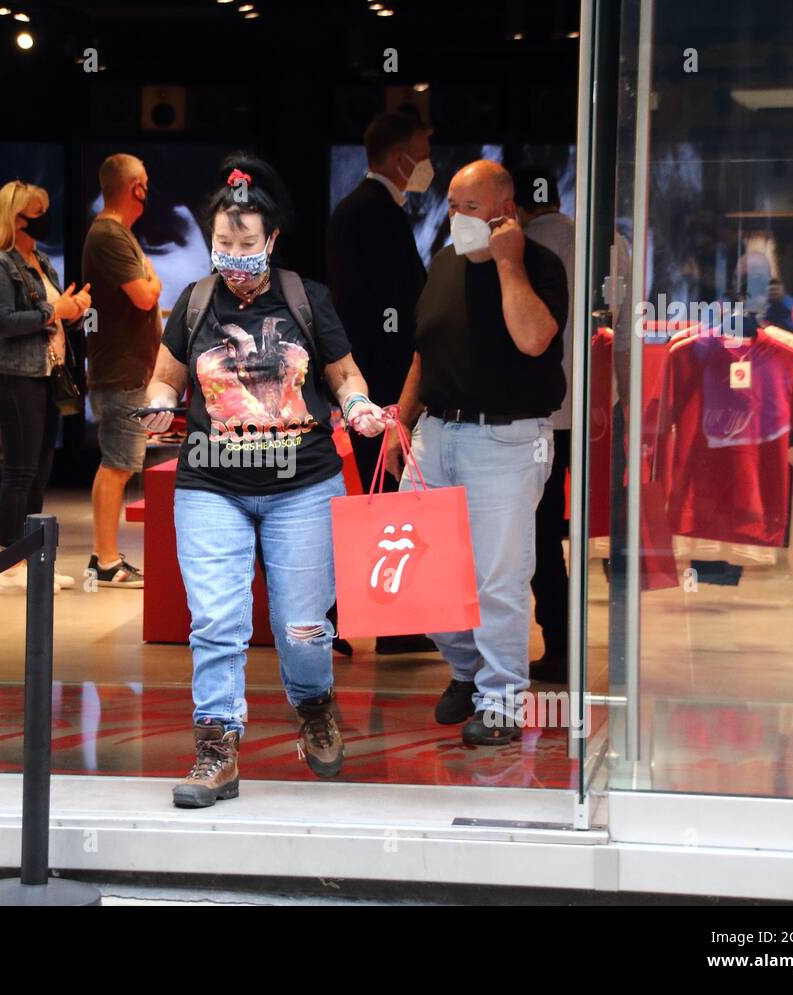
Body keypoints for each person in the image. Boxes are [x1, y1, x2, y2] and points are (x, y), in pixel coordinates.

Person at [139, 155, 389, 808]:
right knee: (217, 621)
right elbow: (165, 374)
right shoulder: (195, 303)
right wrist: (159, 401)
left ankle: (313, 704)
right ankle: (216, 749)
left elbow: (344, 374)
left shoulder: (307, 298)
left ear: (270, 241)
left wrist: (359, 405)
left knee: (303, 627)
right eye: (224, 243)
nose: (235, 256)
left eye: (247, 244)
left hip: (303, 486)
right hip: (210, 486)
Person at [386, 160, 568, 745]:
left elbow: (534, 338)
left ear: (504, 211)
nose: (456, 217)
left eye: (469, 208)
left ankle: (502, 701)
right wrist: (401, 420)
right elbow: (423, 352)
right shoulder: (442, 264)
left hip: (506, 440)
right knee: (418, 573)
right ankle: (467, 670)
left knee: (498, 579)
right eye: (453, 205)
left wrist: (509, 261)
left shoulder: (539, 265)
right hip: (434, 434)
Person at [327, 108, 434, 657]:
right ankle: (364, 616)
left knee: (384, 496)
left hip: (377, 379)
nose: (428, 161)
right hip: (382, 381)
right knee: (384, 497)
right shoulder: (372, 212)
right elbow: (384, 309)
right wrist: (393, 397)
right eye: (424, 147)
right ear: (401, 157)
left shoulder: (366, 209)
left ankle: (372, 617)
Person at [0, 180, 89, 595]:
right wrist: (52, 311)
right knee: (20, 471)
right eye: (38, 212)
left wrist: (74, 310)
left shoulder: (40, 260)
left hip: (46, 374)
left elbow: (55, 314)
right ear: (16, 217)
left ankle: (31, 557)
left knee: (40, 472)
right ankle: (11, 563)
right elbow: (2, 323)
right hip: (13, 377)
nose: (46, 218)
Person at [81, 154, 161, 588]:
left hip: (127, 370)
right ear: (135, 186)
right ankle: (106, 560)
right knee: (117, 464)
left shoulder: (118, 233)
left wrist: (151, 281)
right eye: (145, 182)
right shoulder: (109, 235)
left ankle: (105, 556)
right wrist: (153, 282)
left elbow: (148, 286)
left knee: (120, 463)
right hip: (120, 371)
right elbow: (146, 294)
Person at [513, 165, 575, 684]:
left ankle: (558, 642)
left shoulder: (520, 253)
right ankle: (595, 642)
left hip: (537, 414)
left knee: (542, 530)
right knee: (598, 534)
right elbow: (618, 334)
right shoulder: (607, 241)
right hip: (593, 408)